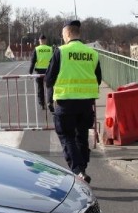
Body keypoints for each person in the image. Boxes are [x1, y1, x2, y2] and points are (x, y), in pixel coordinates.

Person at [44, 20, 101, 183]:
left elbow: (49, 79)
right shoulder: (92, 53)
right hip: (86, 103)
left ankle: (78, 170)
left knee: (67, 136)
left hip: (65, 102)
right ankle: (82, 166)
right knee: (81, 135)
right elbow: (98, 78)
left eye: (63, 35)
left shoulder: (60, 52)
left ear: (67, 34)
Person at [28, 34, 53, 110]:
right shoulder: (51, 49)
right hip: (49, 71)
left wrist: (30, 73)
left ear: (39, 41)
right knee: (49, 87)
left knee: (40, 88)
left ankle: (42, 103)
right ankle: (50, 102)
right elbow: (54, 61)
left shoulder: (37, 49)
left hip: (39, 71)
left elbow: (33, 61)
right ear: (45, 41)